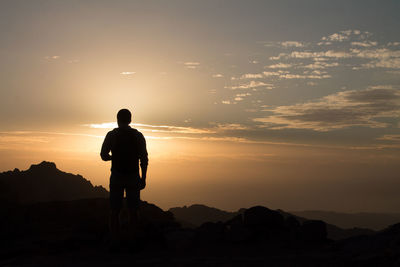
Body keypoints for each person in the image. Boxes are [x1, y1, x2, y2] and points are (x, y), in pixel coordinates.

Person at [100, 108, 148, 242]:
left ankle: (115, 240)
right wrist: (143, 178)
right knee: (133, 210)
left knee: (115, 210)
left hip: (116, 176)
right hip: (133, 176)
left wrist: (113, 157)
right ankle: (133, 240)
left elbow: (103, 155)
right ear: (130, 120)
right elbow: (144, 159)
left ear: (117, 119)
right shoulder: (138, 135)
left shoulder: (111, 135)